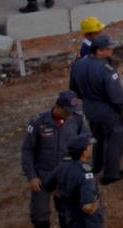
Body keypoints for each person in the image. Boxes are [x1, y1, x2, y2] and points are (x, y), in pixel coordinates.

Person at [69, 34, 123, 184]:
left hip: (89, 108)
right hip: (107, 109)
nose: (111, 50)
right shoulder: (106, 69)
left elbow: (73, 89)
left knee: (97, 137)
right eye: (108, 48)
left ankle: (96, 165)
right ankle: (111, 173)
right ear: (99, 51)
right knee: (114, 140)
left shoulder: (78, 64)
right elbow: (116, 95)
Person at [21, 90, 89, 228]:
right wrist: (31, 176)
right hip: (43, 175)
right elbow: (27, 150)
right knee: (40, 214)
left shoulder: (76, 119)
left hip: (65, 175)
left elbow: (86, 139)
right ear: (58, 107)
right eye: (67, 111)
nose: (70, 114)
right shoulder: (39, 123)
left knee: (67, 211)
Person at [45, 134, 104, 227]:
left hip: (68, 217)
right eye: (89, 146)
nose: (91, 148)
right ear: (84, 152)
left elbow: (47, 185)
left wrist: (61, 195)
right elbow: (87, 207)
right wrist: (95, 203)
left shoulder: (62, 167)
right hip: (86, 223)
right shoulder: (86, 174)